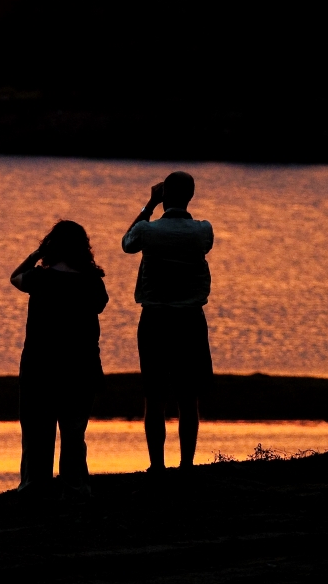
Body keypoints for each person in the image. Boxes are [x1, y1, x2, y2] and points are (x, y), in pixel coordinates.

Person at [121, 171, 214, 474]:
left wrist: (150, 204)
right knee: (188, 399)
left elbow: (127, 243)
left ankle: (157, 466)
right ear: (191, 196)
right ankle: (187, 465)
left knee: (155, 397)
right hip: (190, 320)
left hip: (155, 320)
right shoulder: (202, 231)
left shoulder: (148, 231)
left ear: (164, 196)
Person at [10, 220, 108, 499]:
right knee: (74, 433)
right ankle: (75, 486)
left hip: (40, 367)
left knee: (37, 433)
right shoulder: (92, 282)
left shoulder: (39, 278)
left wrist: (36, 254)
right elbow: (100, 304)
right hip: (81, 366)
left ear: (51, 247)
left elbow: (14, 277)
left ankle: (34, 486)